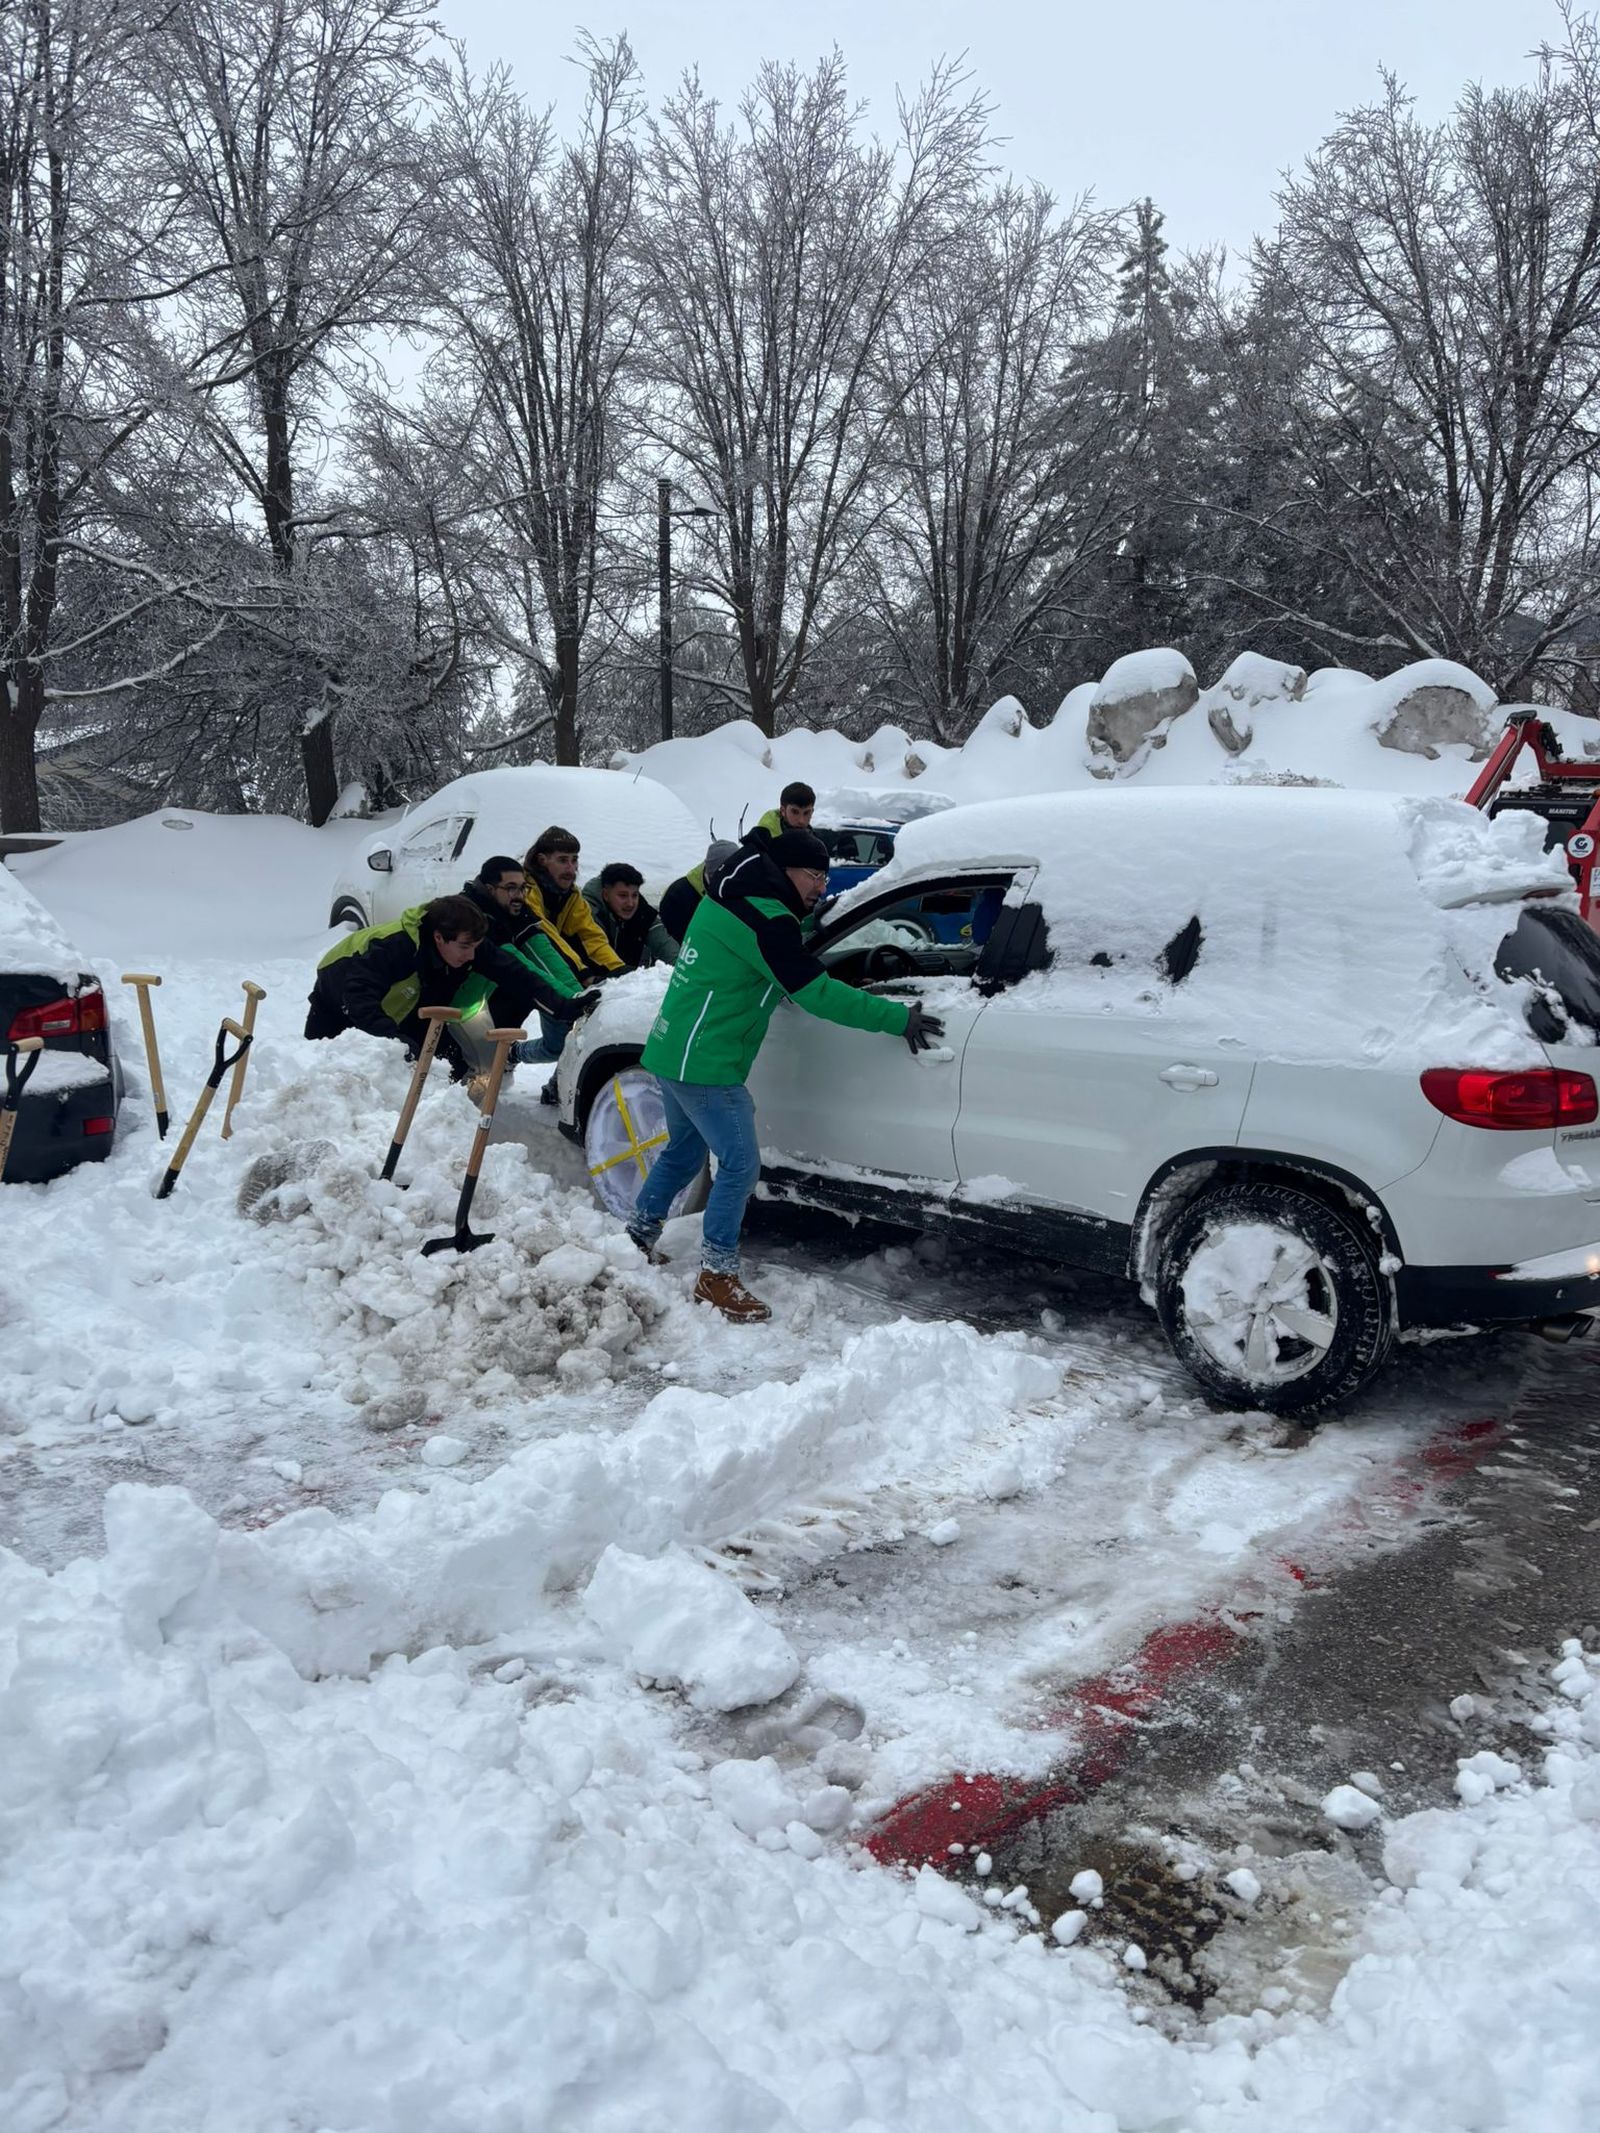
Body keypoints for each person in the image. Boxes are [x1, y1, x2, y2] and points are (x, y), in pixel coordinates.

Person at [626, 828, 945, 1322]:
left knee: (684, 1151)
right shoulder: (765, 919)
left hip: (674, 1048)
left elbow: (772, 939)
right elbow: (814, 992)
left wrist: (820, 912)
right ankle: (717, 1274)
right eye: (814, 876)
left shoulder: (731, 894)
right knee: (738, 1165)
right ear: (785, 872)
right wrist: (897, 1018)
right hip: (706, 1063)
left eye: (826, 877)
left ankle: (637, 1238)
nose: (820, 886)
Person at [305, 893, 583, 1076]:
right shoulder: (396, 947)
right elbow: (357, 997)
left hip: (406, 1008)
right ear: (439, 937)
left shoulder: (467, 943)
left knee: (435, 1069)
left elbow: (519, 976)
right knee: (325, 1081)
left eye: (475, 946)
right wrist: (393, 1041)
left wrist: (562, 1007)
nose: (472, 955)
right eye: (465, 947)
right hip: (336, 1005)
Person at [583, 862, 680, 971]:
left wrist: (682, 970)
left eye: (635, 895)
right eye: (623, 896)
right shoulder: (587, 914)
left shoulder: (642, 911)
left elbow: (663, 944)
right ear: (606, 895)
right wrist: (622, 974)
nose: (630, 903)